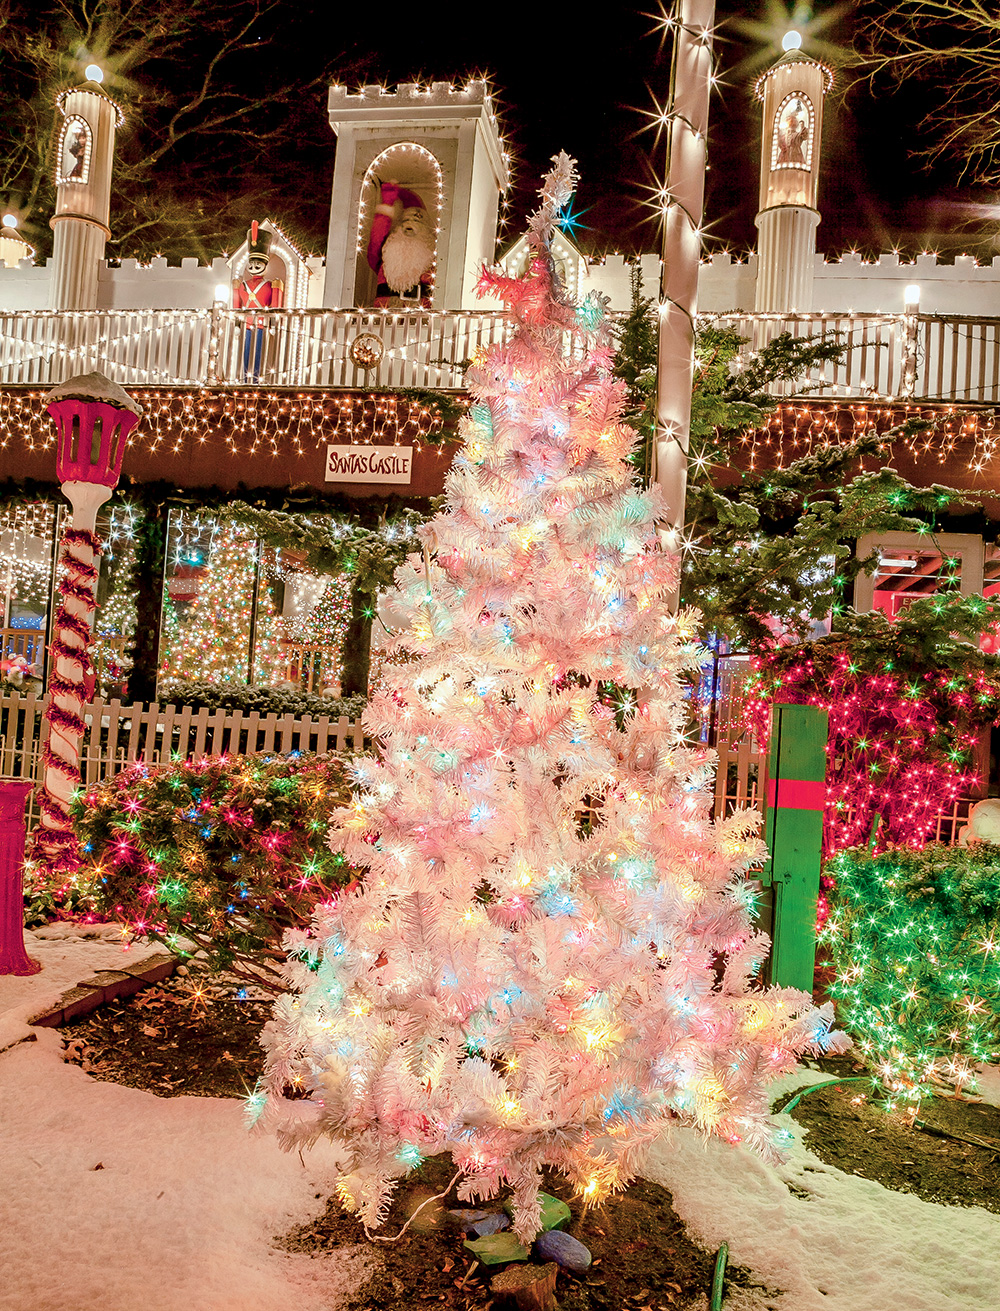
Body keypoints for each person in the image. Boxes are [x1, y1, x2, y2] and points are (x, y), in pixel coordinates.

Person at [367, 181, 434, 308]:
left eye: (416, 220)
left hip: (420, 316)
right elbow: (376, 238)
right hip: (384, 315)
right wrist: (387, 203)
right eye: (406, 220)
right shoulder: (388, 254)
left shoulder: (432, 257)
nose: (410, 224)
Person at [232, 222, 283, 382]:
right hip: (247, 323)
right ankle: (246, 379)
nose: (254, 267)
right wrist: (236, 325)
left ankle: (255, 380)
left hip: (262, 322)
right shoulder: (243, 284)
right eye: (252, 264)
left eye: (258, 264)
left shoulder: (270, 284)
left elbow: (275, 304)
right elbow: (237, 305)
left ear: (265, 265)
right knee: (246, 352)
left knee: (260, 353)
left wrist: (274, 323)